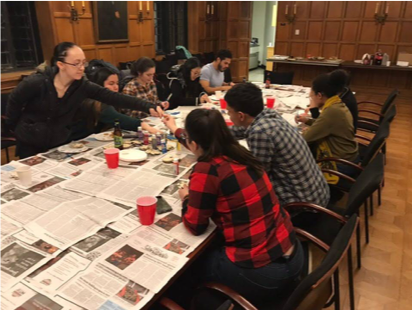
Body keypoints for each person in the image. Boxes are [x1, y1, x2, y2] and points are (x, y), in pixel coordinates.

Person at [162, 109, 303, 305]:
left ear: (194, 144)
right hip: (293, 254)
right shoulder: (240, 152)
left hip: (263, 272)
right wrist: (174, 129)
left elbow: (195, 225)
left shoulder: (208, 169)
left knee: (184, 269)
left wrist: (186, 197)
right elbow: (199, 141)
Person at [6, 42, 164, 158]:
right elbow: (14, 101)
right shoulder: (37, 82)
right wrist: (14, 128)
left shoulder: (82, 85)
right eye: (76, 64)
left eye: (83, 63)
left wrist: (147, 106)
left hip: (57, 140)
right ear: (60, 64)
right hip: (29, 141)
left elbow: (113, 97)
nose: (82, 67)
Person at [224, 83, 330, 208]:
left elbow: (258, 176)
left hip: (303, 204)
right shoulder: (267, 114)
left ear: (241, 115)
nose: (229, 115)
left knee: (234, 197)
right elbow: (242, 129)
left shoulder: (260, 132)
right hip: (317, 192)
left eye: (229, 112)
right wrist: (215, 131)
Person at [69, 67, 158, 140]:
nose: (116, 87)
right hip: (77, 141)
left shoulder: (114, 100)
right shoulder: (96, 104)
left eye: (117, 83)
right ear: (99, 86)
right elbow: (118, 118)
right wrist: (144, 126)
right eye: (111, 84)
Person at [296, 73, 359, 177]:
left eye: (311, 96)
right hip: (348, 157)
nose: (311, 99)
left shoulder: (332, 111)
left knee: (298, 164)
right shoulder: (336, 104)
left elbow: (306, 138)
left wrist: (313, 108)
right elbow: (324, 124)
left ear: (319, 95)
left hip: (340, 164)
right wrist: (307, 121)